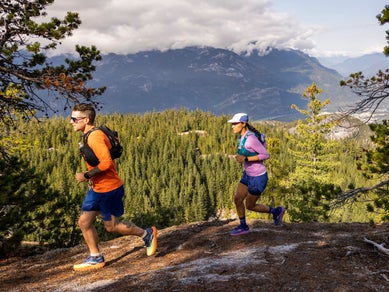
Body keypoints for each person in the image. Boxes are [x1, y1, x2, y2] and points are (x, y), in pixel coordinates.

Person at [70, 103, 157, 271]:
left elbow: (107, 163)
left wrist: (85, 175)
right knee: (84, 222)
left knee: (112, 227)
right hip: (97, 188)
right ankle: (95, 257)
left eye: (74, 119)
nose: (71, 122)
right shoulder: (88, 134)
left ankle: (147, 234)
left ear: (86, 120)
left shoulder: (94, 137)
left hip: (109, 189)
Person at [227, 113, 285, 236]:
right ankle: (243, 226)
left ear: (243, 124)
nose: (232, 126)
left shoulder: (251, 139)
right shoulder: (242, 137)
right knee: (238, 199)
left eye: (235, 124)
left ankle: (276, 211)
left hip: (257, 178)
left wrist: (246, 159)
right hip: (247, 175)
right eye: (232, 124)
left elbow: (265, 155)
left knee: (250, 205)